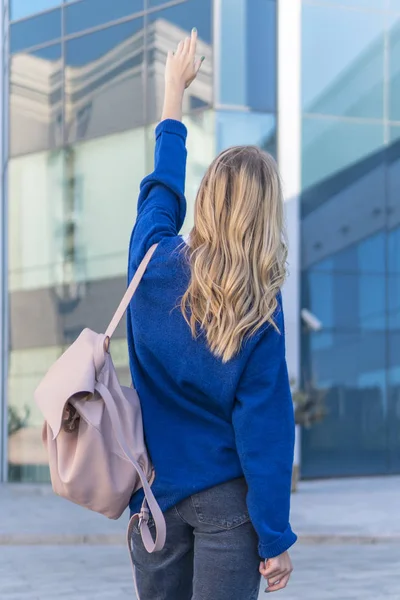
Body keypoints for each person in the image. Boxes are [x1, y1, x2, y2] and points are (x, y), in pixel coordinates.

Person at [127, 28, 297, 600]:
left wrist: (174, 93)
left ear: (207, 200)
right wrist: (275, 538)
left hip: (154, 496)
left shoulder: (151, 260)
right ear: (265, 217)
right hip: (229, 503)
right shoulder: (258, 308)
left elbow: (161, 190)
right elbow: (265, 433)